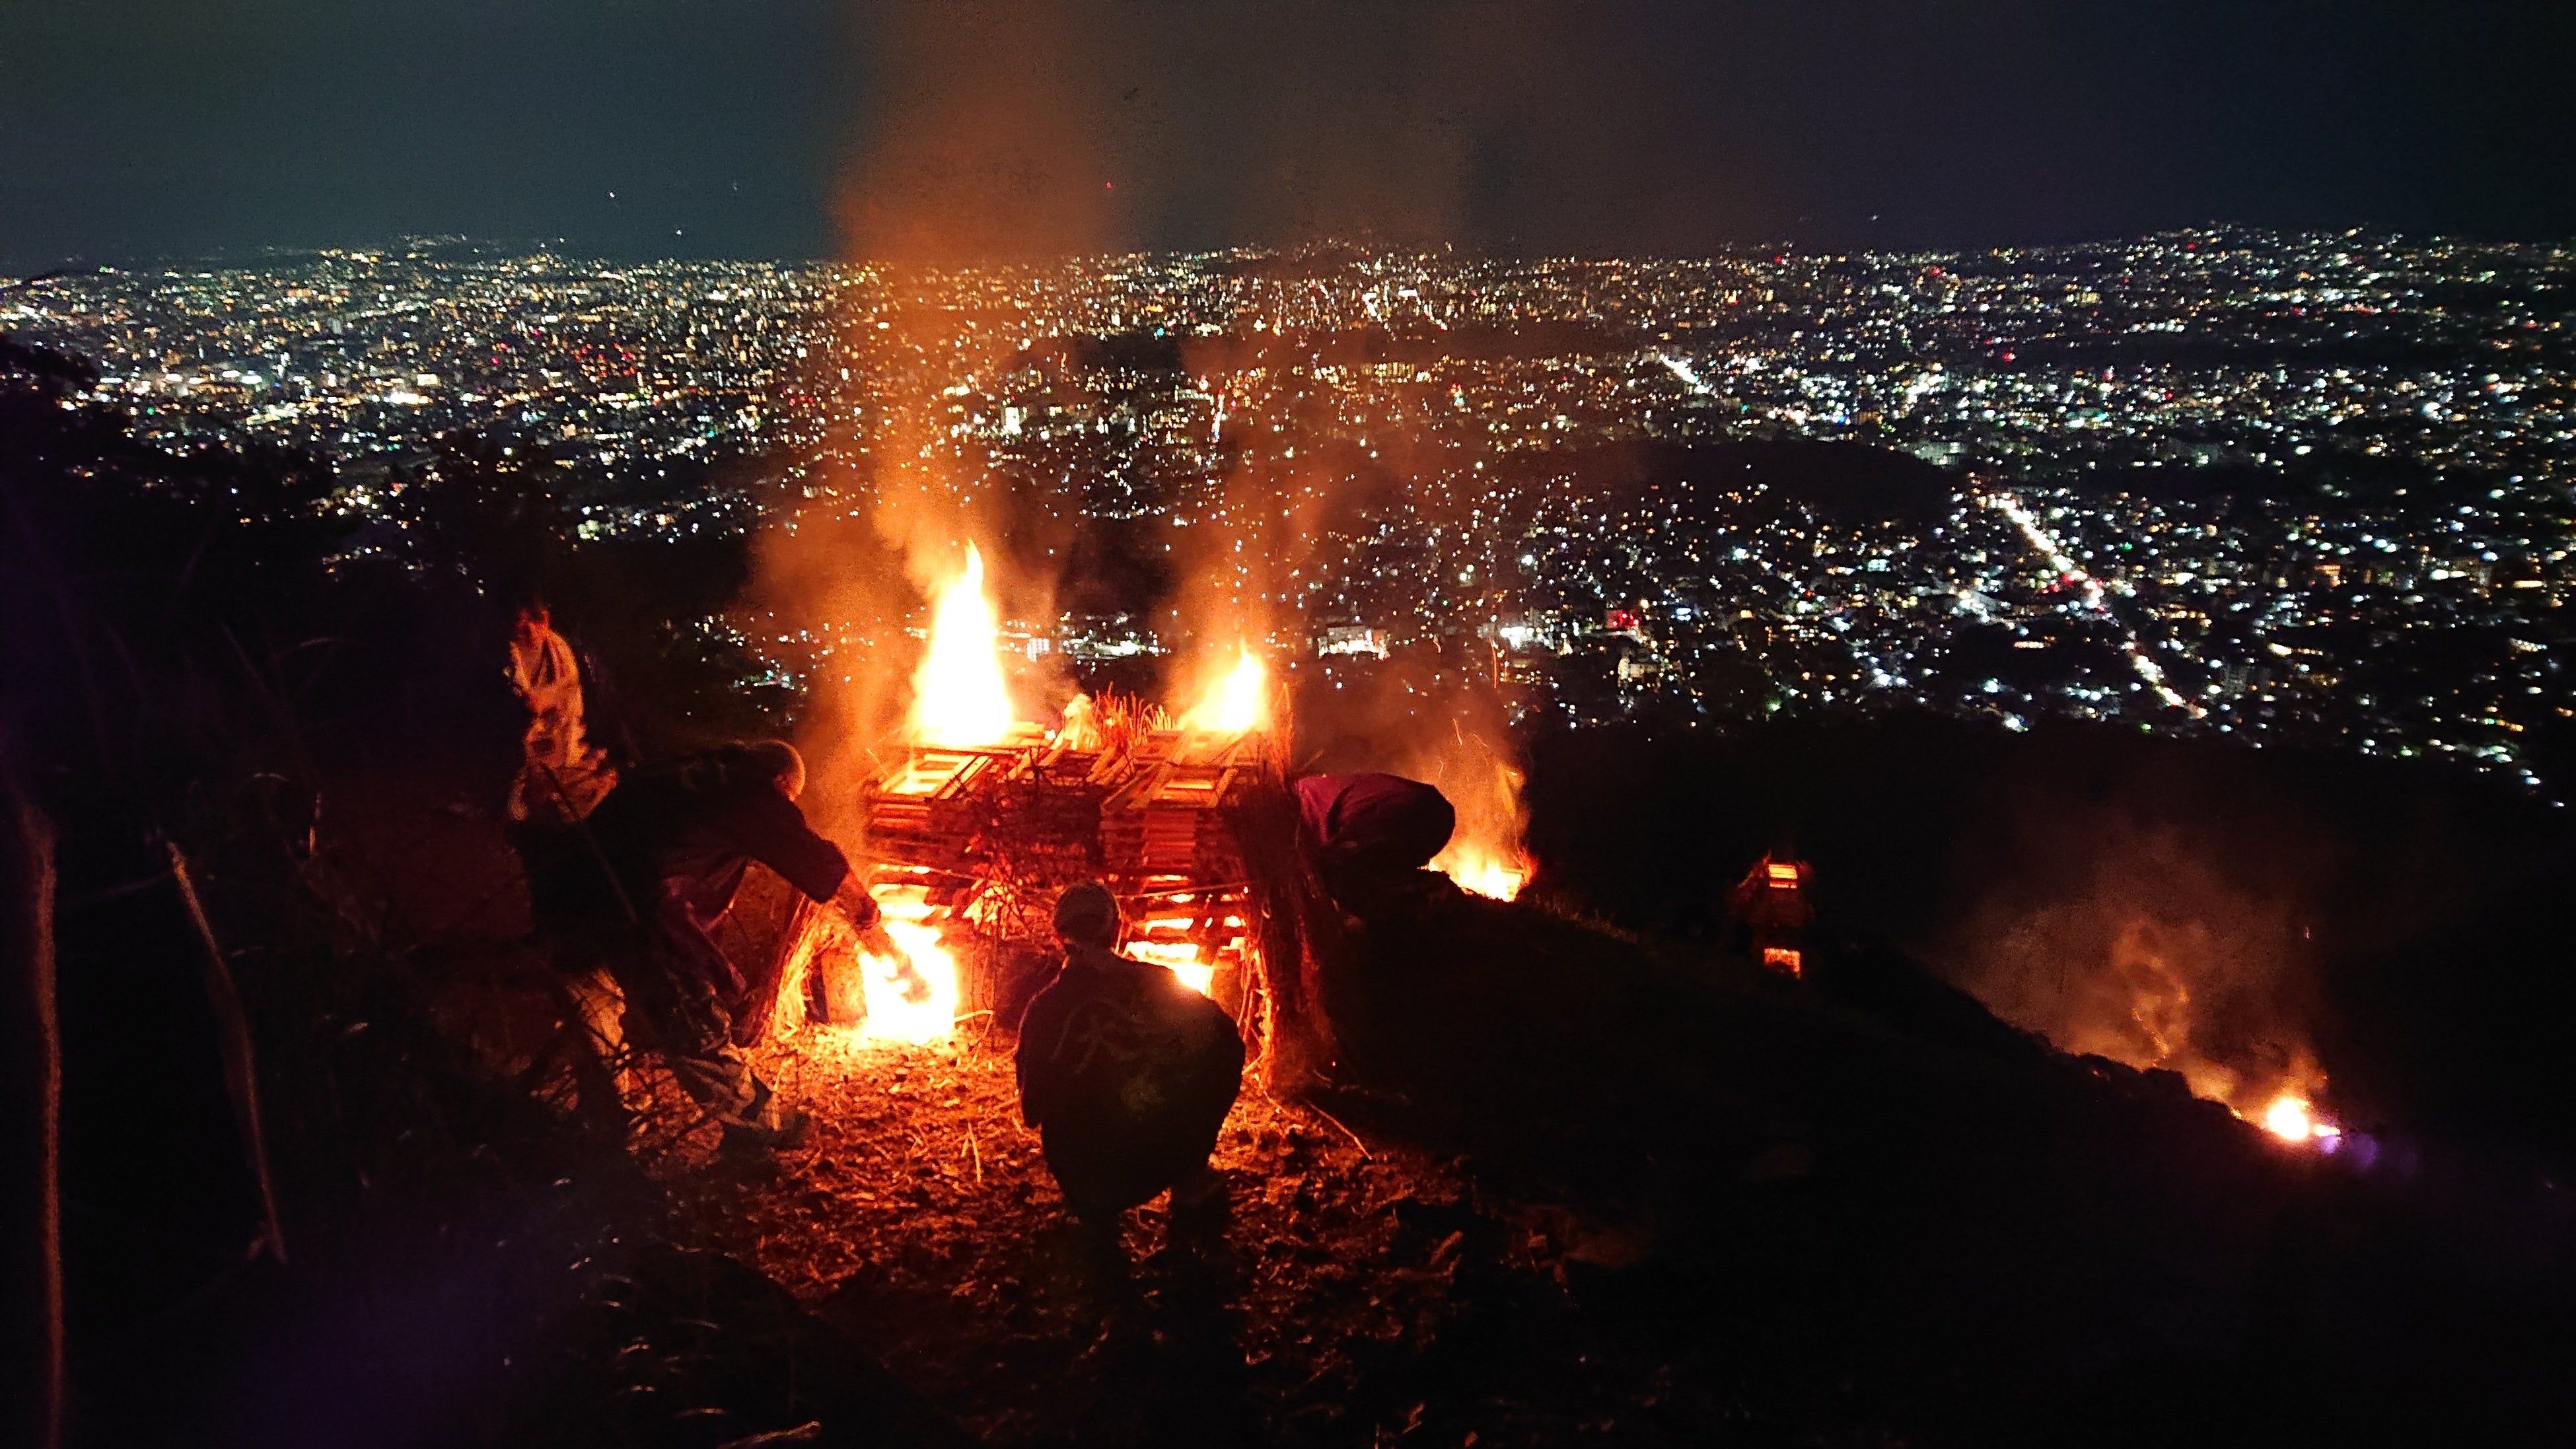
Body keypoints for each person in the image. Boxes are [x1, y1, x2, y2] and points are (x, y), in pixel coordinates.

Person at [564, 740, 884, 1163]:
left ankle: (612, 1128)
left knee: (592, 1007)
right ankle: (757, 1126)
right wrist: (870, 920)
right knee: (689, 1016)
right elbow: (819, 863)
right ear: (781, 782)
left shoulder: (683, 769)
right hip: (639, 906)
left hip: (570, 894)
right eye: (787, 798)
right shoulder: (746, 791)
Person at [1016, 882, 1243, 1256]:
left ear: (1058, 938)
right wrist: (1199, 1124)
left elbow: (1031, 1111)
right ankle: (1192, 1185)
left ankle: (1095, 1221)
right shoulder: (1161, 984)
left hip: (1087, 1175)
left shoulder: (1043, 1011)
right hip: (1164, 1157)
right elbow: (1227, 1046)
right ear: (1118, 931)